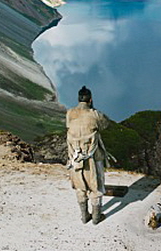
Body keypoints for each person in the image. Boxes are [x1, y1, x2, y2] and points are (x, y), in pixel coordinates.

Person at [66, 86, 109, 224]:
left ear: (79, 99)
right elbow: (105, 125)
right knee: (95, 186)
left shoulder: (70, 113)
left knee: (80, 186)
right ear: (90, 100)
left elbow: (68, 126)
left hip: (75, 157)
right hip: (93, 157)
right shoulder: (95, 114)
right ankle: (96, 217)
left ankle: (84, 216)